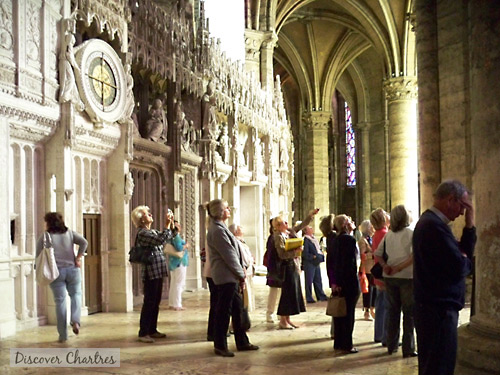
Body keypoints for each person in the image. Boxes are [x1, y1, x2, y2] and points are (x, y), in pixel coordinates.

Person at [413, 180, 476, 375]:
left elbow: (461, 255)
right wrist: (466, 261)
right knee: (439, 367)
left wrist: (469, 225)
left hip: (435, 309)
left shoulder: (433, 223)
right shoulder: (433, 227)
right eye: (463, 207)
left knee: (437, 364)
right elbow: (459, 266)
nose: (461, 213)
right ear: (451, 200)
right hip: (437, 311)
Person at [205, 199, 259, 357]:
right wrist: (241, 275)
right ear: (220, 212)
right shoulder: (217, 230)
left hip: (230, 276)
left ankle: (242, 341)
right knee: (224, 312)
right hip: (226, 276)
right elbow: (229, 255)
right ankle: (220, 345)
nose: (229, 210)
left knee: (238, 310)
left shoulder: (220, 227)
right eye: (226, 208)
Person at [36, 212, 88, 343]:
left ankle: (63, 335)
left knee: (60, 302)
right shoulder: (70, 233)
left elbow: (38, 255)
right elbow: (84, 242)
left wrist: (38, 269)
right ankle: (75, 321)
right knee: (76, 295)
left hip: (55, 272)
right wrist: (78, 257)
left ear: (48, 223)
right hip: (72, 270)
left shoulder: (45, 237)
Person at [131, 205, 177, 343]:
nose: (150, 214)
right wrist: (167, 226)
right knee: (149, 302)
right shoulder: (143, 233)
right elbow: (160, 240)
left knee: (155, 302)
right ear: (141, 219)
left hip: (157, 271)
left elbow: (167, 237)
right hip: (151, 272)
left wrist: (172, 225)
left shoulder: (152, 231)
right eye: (147, 213)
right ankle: (143, 332)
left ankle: (152, 329)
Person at [375, 205, 417, 358]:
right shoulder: (411, 233)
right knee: (409, 313)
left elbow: (377, 254)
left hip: (390, 277)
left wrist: (386, 266)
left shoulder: (389, 235)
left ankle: (391, 346)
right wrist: (398, 268)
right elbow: (414, 256)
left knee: (392, 312)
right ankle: (408, 348)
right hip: (407, 277)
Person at [273, 208, 320, 329]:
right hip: (286, 268)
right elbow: (282, 254)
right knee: (287, 294)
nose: (287, 224)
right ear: (278, 226)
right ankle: (283, 320)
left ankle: (287, 319)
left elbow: (301, 226)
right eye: (284, 222)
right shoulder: (278, 236)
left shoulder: (288, 232)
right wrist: (296, 252)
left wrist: (310, 215)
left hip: (293, 266)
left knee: (293, 293)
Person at [331, 215, 360, 354]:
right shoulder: (349, 240)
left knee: (339, 315)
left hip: (338, 282)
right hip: (348, 282)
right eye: (349, 221)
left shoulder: (334, 240)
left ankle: (338, 343)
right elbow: (350, 264)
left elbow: (331, 263)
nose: (352, 222)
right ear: (344, 225)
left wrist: (334, 282)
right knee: (348, 315)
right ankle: (347, 344)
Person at [370, 208, 390, 346]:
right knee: (386, 306)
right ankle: (385, 336)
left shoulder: (376, 234)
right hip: (385, 273)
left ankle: (379, 334)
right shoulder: (384, 234)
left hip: (378, 273)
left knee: (380, 304)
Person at [229, 224, 255, 313]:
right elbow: (242, 257)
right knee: (243, 296)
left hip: (247, 271)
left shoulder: (241, 241)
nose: (243, 230)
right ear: (236, 232)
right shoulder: (237, 242)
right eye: (240, 229)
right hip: (244, 271)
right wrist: (250, 260)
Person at [302, 225, 327, 304]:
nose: (312, 229)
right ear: (306, 231)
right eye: (310, 228)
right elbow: (305, 253)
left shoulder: (313, 238)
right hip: (310, 262)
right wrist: (313, 256)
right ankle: (309, 297)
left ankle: (321, 295)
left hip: (316, 262)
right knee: (309, 280)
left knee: (318, 280)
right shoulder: (306, 240)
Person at [321, 214, 337, 340]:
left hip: (332, 273)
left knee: (338, 302)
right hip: (335, 273)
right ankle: (335, 331)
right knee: (339, 303)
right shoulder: (334, 237)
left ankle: (334, 331)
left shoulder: (330, 237)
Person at [168, 220, 189, 311]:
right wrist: (186, 245)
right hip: (179, 262)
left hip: (174, 262)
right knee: (179, 283)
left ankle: (172, 303)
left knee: (174, 283)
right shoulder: (176, 237)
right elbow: (179, 248)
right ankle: (177, 304)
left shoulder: (171, 237)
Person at [264, 219, 282, 323]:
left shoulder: (282, 235)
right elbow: (271, 255)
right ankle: (269, 313)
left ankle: (280, 313)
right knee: (273, 292)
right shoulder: (273, 237)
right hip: (275, 268)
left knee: (281, 293)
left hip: (282, 268)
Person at [358, 220, 376, 321]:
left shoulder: (371, 238)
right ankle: (367, 311)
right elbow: (363, 255)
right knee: (367, 290)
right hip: (367, 268)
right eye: (371, 227)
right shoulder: (362, 240)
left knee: (374, 289)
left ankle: (373, 309)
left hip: (373, 267)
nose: (372, 228)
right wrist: (373, 255)